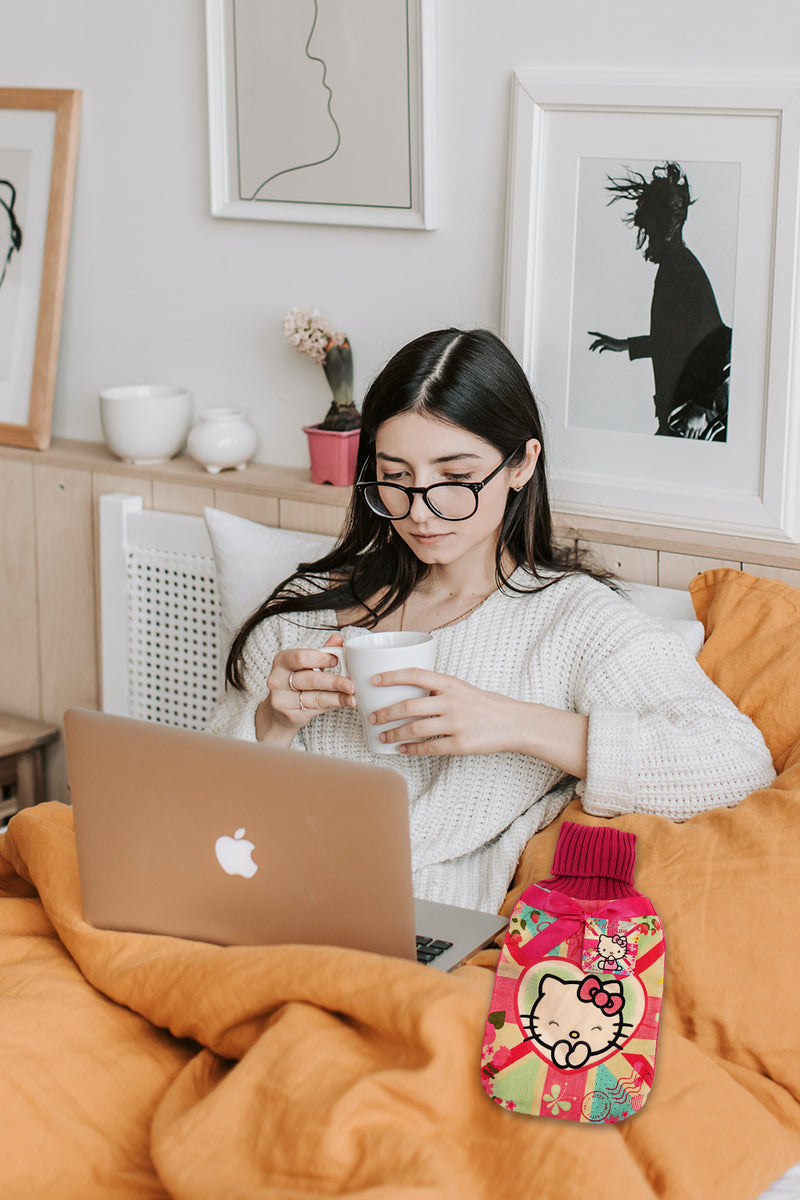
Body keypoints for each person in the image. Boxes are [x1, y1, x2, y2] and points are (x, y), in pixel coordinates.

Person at [207, 328, 774, 912]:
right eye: (396, 477)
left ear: (521, 465)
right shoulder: (303, 615)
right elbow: (207, 809)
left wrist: (513, 723)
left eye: (455, 479)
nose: (422, 510)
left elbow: (736, 763)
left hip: (411, 930)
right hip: (257, 901)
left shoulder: (573, 623)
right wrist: (271, 724)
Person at [588, 162, 731, 440]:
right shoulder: (673, 267)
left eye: (646, 220)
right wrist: (626, 345)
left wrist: (701, 407)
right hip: (681, 408)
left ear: (663, 220)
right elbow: (677, 339)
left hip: (692, 414)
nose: (641, 226)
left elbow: (716, 339)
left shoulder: (681, 269)